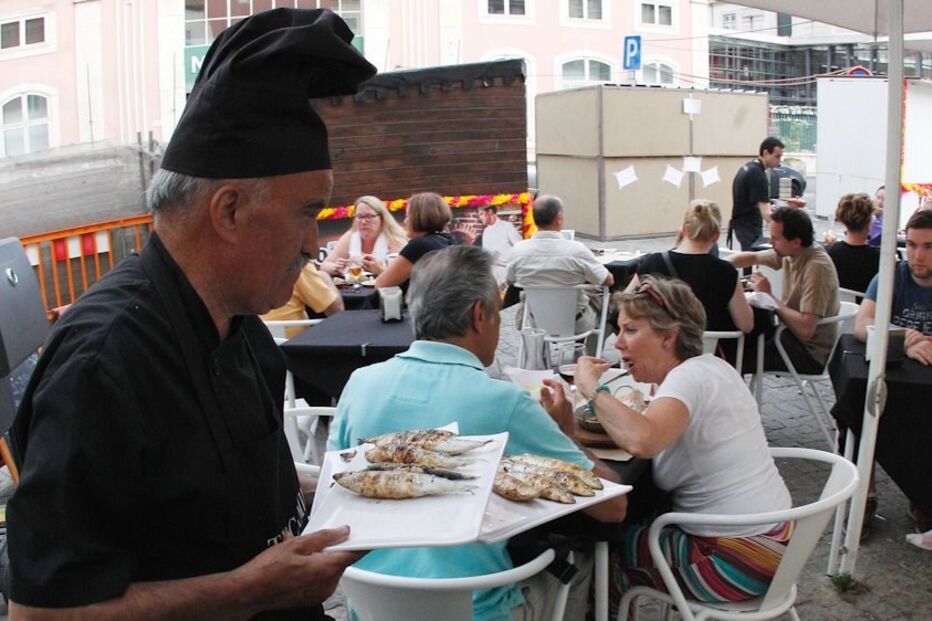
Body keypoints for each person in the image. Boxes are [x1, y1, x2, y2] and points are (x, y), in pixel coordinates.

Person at [6, 9, 375, 619]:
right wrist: (249, 591)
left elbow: (243, 492)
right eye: (308, 213)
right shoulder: (104, 366)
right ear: (228, 211)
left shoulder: (244, 332)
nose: (315, 244)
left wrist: (370, 493)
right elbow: (39, 615)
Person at [329, 244, 627, 621]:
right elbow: (612, 507)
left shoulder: (359, 384)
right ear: (479, 314)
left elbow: (334, 491)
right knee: (582, 562)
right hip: (474, 610)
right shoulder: (504, 401)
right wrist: (565, 432)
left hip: (370, 602)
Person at [574, 276, 792, 607]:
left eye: (630, 330)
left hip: (734, 560)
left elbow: (642, 441)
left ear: (668, 336)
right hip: (779, 540)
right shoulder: (713, 366)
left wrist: (592, 388)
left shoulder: (686, 379)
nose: (617, 343)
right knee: (635, 520)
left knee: (602, 547)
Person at [728, 207, 840, 374]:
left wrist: (769, 296)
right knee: (737, 342)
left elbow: (806, 330)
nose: (770, 242)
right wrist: (719, 268)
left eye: (775, 238)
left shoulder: (817, 267)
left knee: (734, 358)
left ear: (795, 242)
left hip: (809, 353)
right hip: (788, 335)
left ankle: (737, 397)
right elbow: (752, 257)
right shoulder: (791, 252)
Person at [628, 199, 753, 334]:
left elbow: (624, 305)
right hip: (705, 352)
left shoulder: (652, 263)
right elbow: (746, 325)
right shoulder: (727, 272)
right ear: (716, 236)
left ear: (685, 230)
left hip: (657, 349)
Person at [506, 195, 614, 336]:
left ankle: (540, 354)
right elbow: (608, 281)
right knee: (612, 308)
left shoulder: (518, 250)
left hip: (536, 322)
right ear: (558, 218)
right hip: (577, 322)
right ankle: (588, 353)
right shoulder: (577, 250)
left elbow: (510, 280)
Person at [855, 209, 932, 362]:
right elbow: (861, 325)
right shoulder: (890, 277)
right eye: (912, 245)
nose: (918, 256)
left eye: (929, 247)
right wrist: (902, 339)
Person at [728, 137, 805, 251]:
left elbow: (756, 202)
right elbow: (767, 214)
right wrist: (790, 223)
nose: (779, 161)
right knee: (760, 257)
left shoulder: (748, 167)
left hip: (740, 223)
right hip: (749, 227)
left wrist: (782, 207)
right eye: (777, 156)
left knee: (750, 260)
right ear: (765, 153)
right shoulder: (758, 175)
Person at [374, 191, 453, 290]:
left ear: (418, 218)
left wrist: (380, 270)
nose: (405, 221)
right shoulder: (447, 240)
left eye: (407, 215)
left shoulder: (419, 246)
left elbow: (381, 284)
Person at [319, 195, 407, 276]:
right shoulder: (350, 236)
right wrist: (336, 267)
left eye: (369, 216)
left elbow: (402, 275)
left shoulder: (393, 239)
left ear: (382, 217)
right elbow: (325, 266)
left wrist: (381, 271)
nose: (364, 222)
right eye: (360, 217)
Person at [261, 262, 344, 338]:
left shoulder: (251, 261)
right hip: (293, 345)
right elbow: (336, 312)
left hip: (254, 344)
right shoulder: (297, 260)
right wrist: (325, 277)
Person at [825, 193, 881, 296]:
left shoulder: (827, 253)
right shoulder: (880, 259)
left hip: (835, 309)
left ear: (843, 221)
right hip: (868, 309)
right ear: (869, 222)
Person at [478, 205, 523, 285]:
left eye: (481, 214)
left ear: (490, 212)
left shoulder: (507, 226)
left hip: (506, 271)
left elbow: (520, 247)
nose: (480, 218)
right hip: (492, 273)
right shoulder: (486, 231)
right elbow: (486, 254)